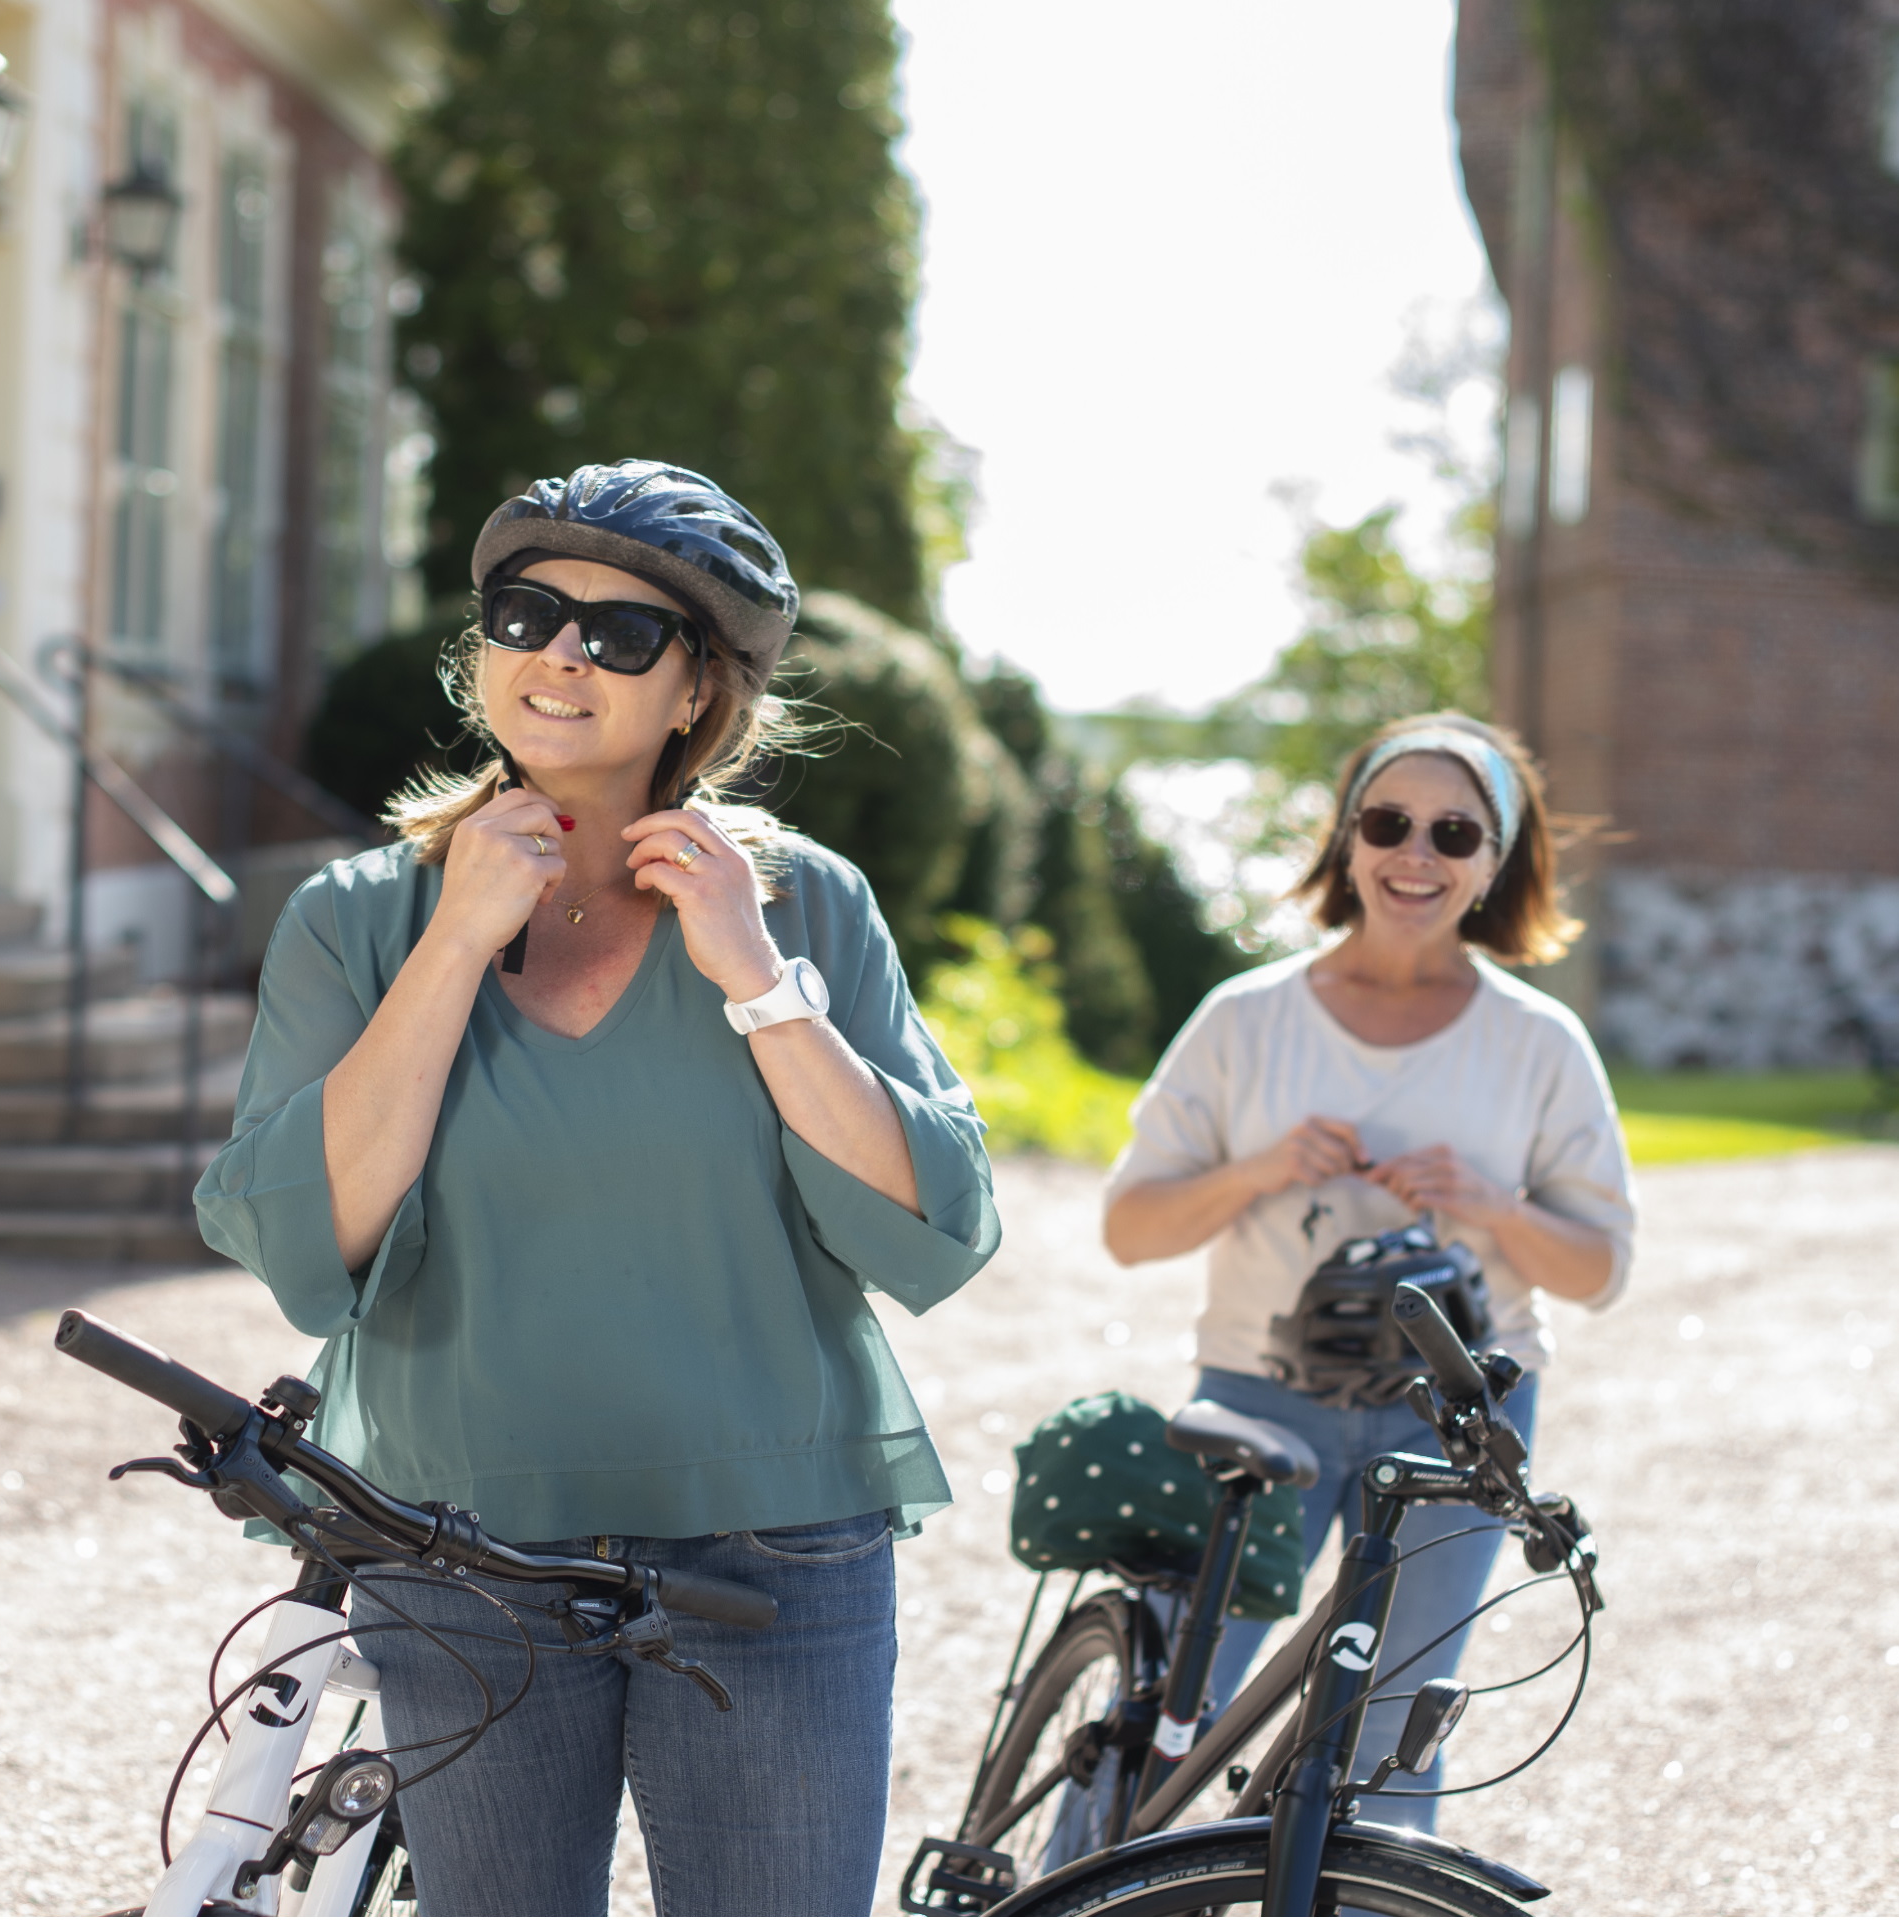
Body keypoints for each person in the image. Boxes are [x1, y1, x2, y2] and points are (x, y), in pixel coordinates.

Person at [195, 459, 1000, 1916]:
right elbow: (311, 1233)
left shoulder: (801, 902)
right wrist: (453, 946)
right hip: (458, 1540)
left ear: (697, 691)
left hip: (775, 1541)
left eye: (622, 635)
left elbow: (932, 1222)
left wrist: (757, 979)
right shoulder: (356, 919)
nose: (560, 654)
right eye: (527, 614)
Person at [1102, 711, 1634, 1830]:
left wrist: (1488, 1202)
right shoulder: (1244, 1020)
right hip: (1254, 1401)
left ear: (1495, 865)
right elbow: (1131, 1230)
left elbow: (1596, 1269)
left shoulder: (1539, 1043)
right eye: (1389, 823)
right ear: (1347, 840)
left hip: (1456, 1417)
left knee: (1392, 1738)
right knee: (1176, 1715)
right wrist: (1258, 1169)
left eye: (1455, 833)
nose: (1417, 855)